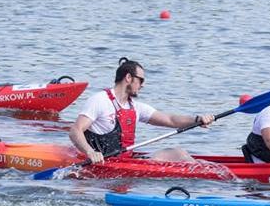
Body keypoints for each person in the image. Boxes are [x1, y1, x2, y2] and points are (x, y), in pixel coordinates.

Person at [69, 58, 215, 164]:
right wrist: (90, 152)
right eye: (141, 80)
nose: (143, 85)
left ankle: (208, 169)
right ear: (128, 78)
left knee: (179, 153)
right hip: (104, 164)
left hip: (126, 162)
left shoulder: (135, 107)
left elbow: (170, 120)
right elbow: (75, 131)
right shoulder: (100, 100)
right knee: (180, 155)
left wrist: (197, 120)